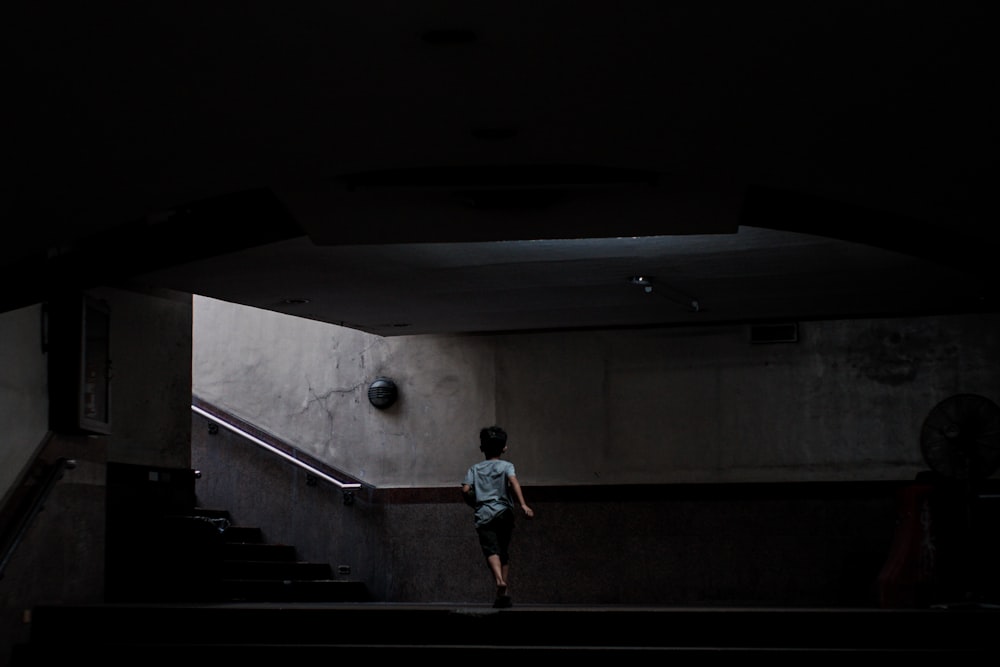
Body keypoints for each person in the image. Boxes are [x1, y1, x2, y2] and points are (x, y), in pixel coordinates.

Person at [461, 425, 534, 608]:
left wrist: (474, 502)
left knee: (491, 550)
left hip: (484, 514)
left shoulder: (475, 469)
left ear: (481, 449)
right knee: (504, 551)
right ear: (504, 448)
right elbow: (514, 483)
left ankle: (499, 581)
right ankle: (503, 592)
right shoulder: (507, 466)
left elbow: (465, 489)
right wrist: (523, 504)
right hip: (504, 513)